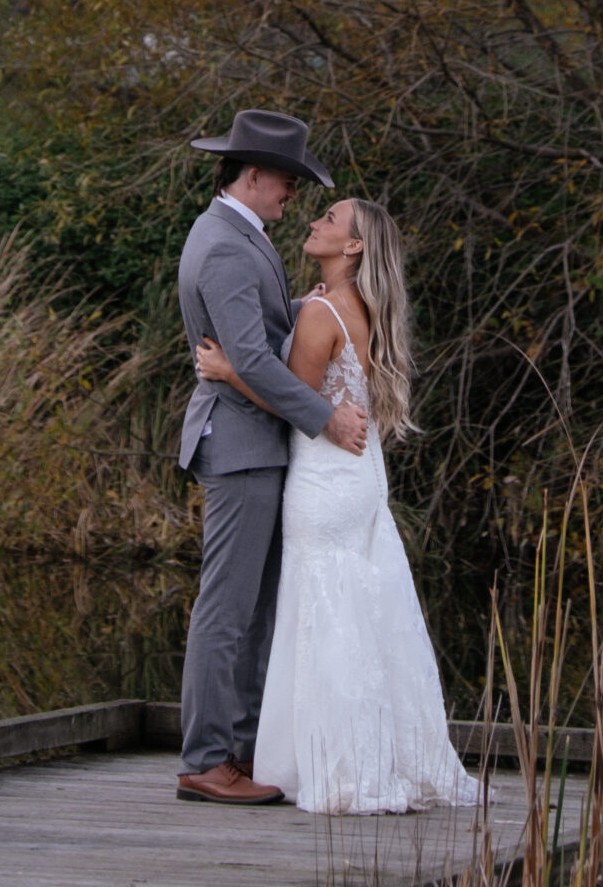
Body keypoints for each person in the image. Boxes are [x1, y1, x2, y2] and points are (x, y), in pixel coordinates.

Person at [195, 194, 476, 815]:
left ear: (353, 246)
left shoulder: (324, 314)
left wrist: (229, 371)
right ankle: (376, 752)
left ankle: (336, 763)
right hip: (362, 475)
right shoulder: (358, 307)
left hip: (323, 480)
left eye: (329, 219)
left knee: (322, 616)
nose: (314, 222)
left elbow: (290, 399)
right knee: (363, 611)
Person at [174, 107, 369, 806]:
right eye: (287, 181)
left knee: (255, 611)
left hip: (251, 443)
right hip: (239, 445)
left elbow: (252, 324)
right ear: (253, 175)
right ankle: (207, 760)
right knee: (227, 610)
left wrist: (299, 304)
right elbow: (250, 358)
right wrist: (325, 418)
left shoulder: (235, 235)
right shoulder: (226, 245)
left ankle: (241, 750)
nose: (292, 194)